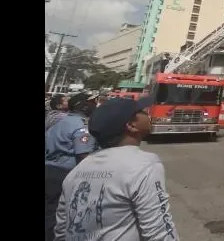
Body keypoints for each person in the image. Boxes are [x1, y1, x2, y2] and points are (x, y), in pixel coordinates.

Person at [54, 97, 180, 241]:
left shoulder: (76, 171)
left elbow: (61, 231)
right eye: (141, 111)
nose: (147, 112)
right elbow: (159, 232)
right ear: (131, 125)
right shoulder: (144, 165)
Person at [45, 92, 98, 240]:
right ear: (84, 106)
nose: (95, 104)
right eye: (92, 102)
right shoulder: (80, 125)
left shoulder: (61, 122)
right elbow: (83, 155)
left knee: (49, 212)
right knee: (59, 215)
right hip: (64, 174)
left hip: (49, 169)